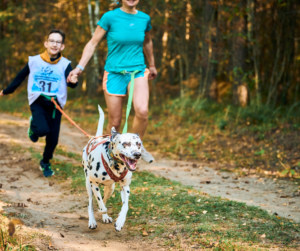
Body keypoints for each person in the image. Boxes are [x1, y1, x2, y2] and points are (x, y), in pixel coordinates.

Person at [67, 0, 157, 163]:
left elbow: (147, 42)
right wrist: (79, 68)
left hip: (137, 71)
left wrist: (152, 64)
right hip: (114, 73)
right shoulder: (110, 17)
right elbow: (93, 43)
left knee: (142, 111)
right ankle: (107, 155)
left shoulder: (144, 18)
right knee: (115, 122)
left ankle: (137, 146)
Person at [0, 29, 78, 177]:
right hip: (38, 100)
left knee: (53, 139)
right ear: (46, 43)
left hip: (56, 104)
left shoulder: (65, 64)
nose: (54, 44)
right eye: (52, 41)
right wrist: (7, 90)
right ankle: (34, 127)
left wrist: (74, 81)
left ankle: (45, 162)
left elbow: (71, 83)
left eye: (58, 42)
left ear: (62, 47)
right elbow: (20, 76)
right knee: (42, 130)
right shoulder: (34, 60)